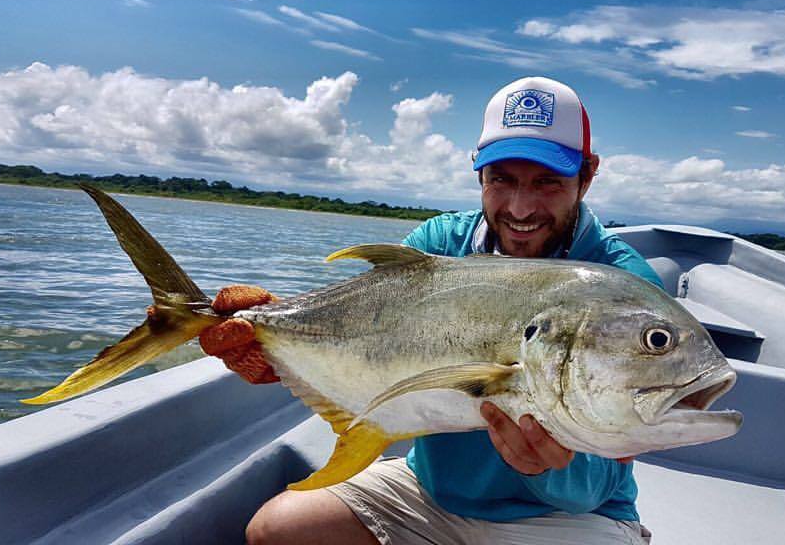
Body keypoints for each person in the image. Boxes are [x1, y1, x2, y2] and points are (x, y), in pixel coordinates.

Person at [201, 77, 660, 545]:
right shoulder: (440, 246)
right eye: (501, 179)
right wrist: (278, 345)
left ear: (588, 174)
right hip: (432, 493)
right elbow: (357, 331)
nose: (521, 208)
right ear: (478, 171)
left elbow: (594, 486)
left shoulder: (624, 291)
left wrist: (547, 467)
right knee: (276, 531)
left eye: (548, 182)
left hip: (569, 517)